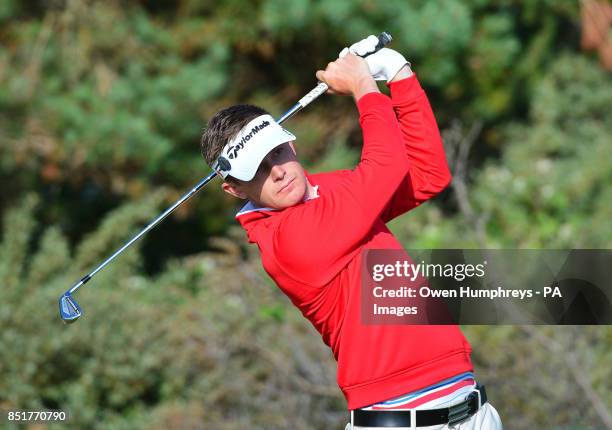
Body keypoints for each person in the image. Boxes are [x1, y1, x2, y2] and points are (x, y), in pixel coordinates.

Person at [200, 36, 503, 429]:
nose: (276, 170)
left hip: (472, 409)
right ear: (234, 189)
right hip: (399, 418)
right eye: (256, 170)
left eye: (276, 152)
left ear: (290, 144)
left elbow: (427, 175)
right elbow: (386, 166)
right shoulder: (288, 241)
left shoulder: (332, 190)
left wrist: (398, 73)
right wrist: (363, 87)